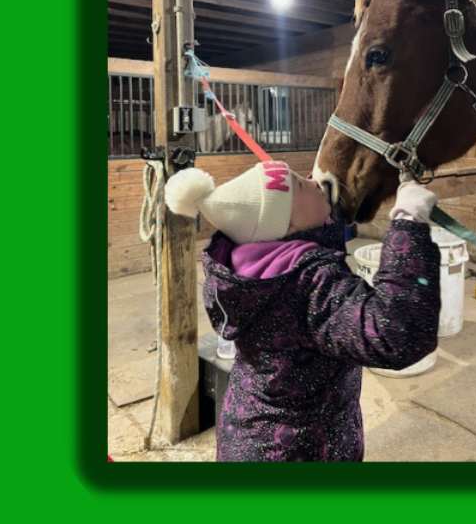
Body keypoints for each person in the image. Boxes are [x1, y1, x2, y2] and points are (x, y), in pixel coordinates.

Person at [164, 160, 441, 462]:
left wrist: (312, 195)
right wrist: (408, 225)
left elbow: (307, 225)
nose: (315, 182)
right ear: (288, 227)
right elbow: (396, 333)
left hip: (249, 436)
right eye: (301, 184)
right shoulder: (309, 286)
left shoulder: (251, 268)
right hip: (299, 451)